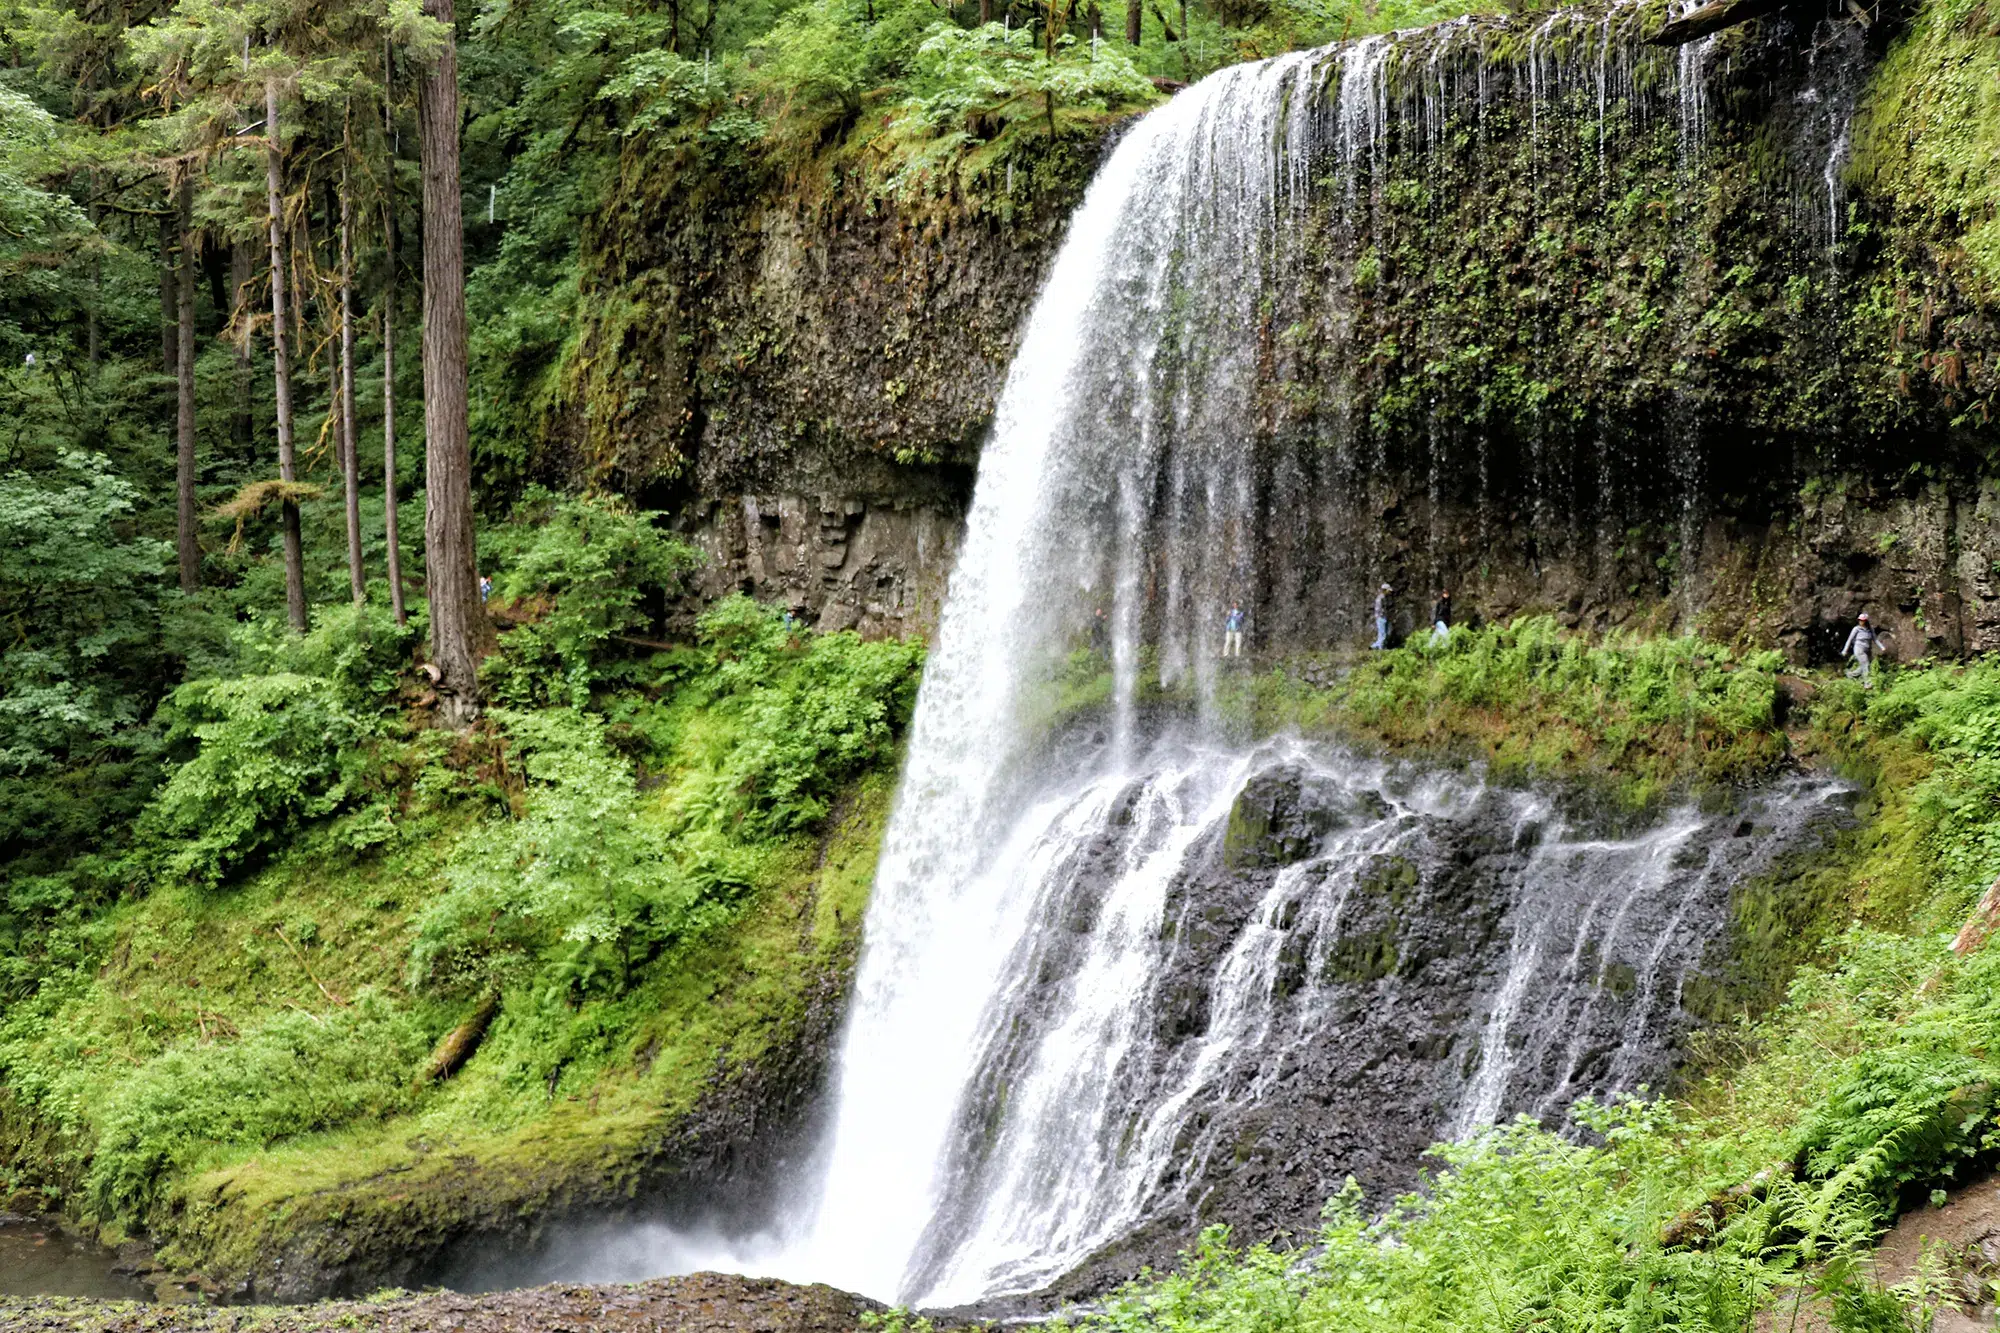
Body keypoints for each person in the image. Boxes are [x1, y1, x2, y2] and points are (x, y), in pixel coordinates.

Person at [1843, 612, 1879, 688]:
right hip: (1859, 649)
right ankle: (1867, 683)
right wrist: (1845, 650)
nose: (1861, 622)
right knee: (1866, 664)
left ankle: (1850, 674)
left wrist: (1882, 647)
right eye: (1860, 620)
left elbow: (1875, 639)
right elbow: (1849, 640)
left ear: (1866, 621)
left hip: (1867, 649)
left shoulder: (1870, 629)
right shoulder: (1856, 629)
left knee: (1863, 665)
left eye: (1863, 620)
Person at [1373, 583, 1392, 650]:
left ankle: (1374, 646)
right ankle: (1381, 649)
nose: (1389, 592)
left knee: (1382, 634)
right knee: (1382, 634)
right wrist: (1383, 617)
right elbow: (1380, 609)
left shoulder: (1383, 597)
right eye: (1388, 590)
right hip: (1381, 618)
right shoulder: (1381, 598)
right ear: (1384, 590)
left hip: (1382, 617)